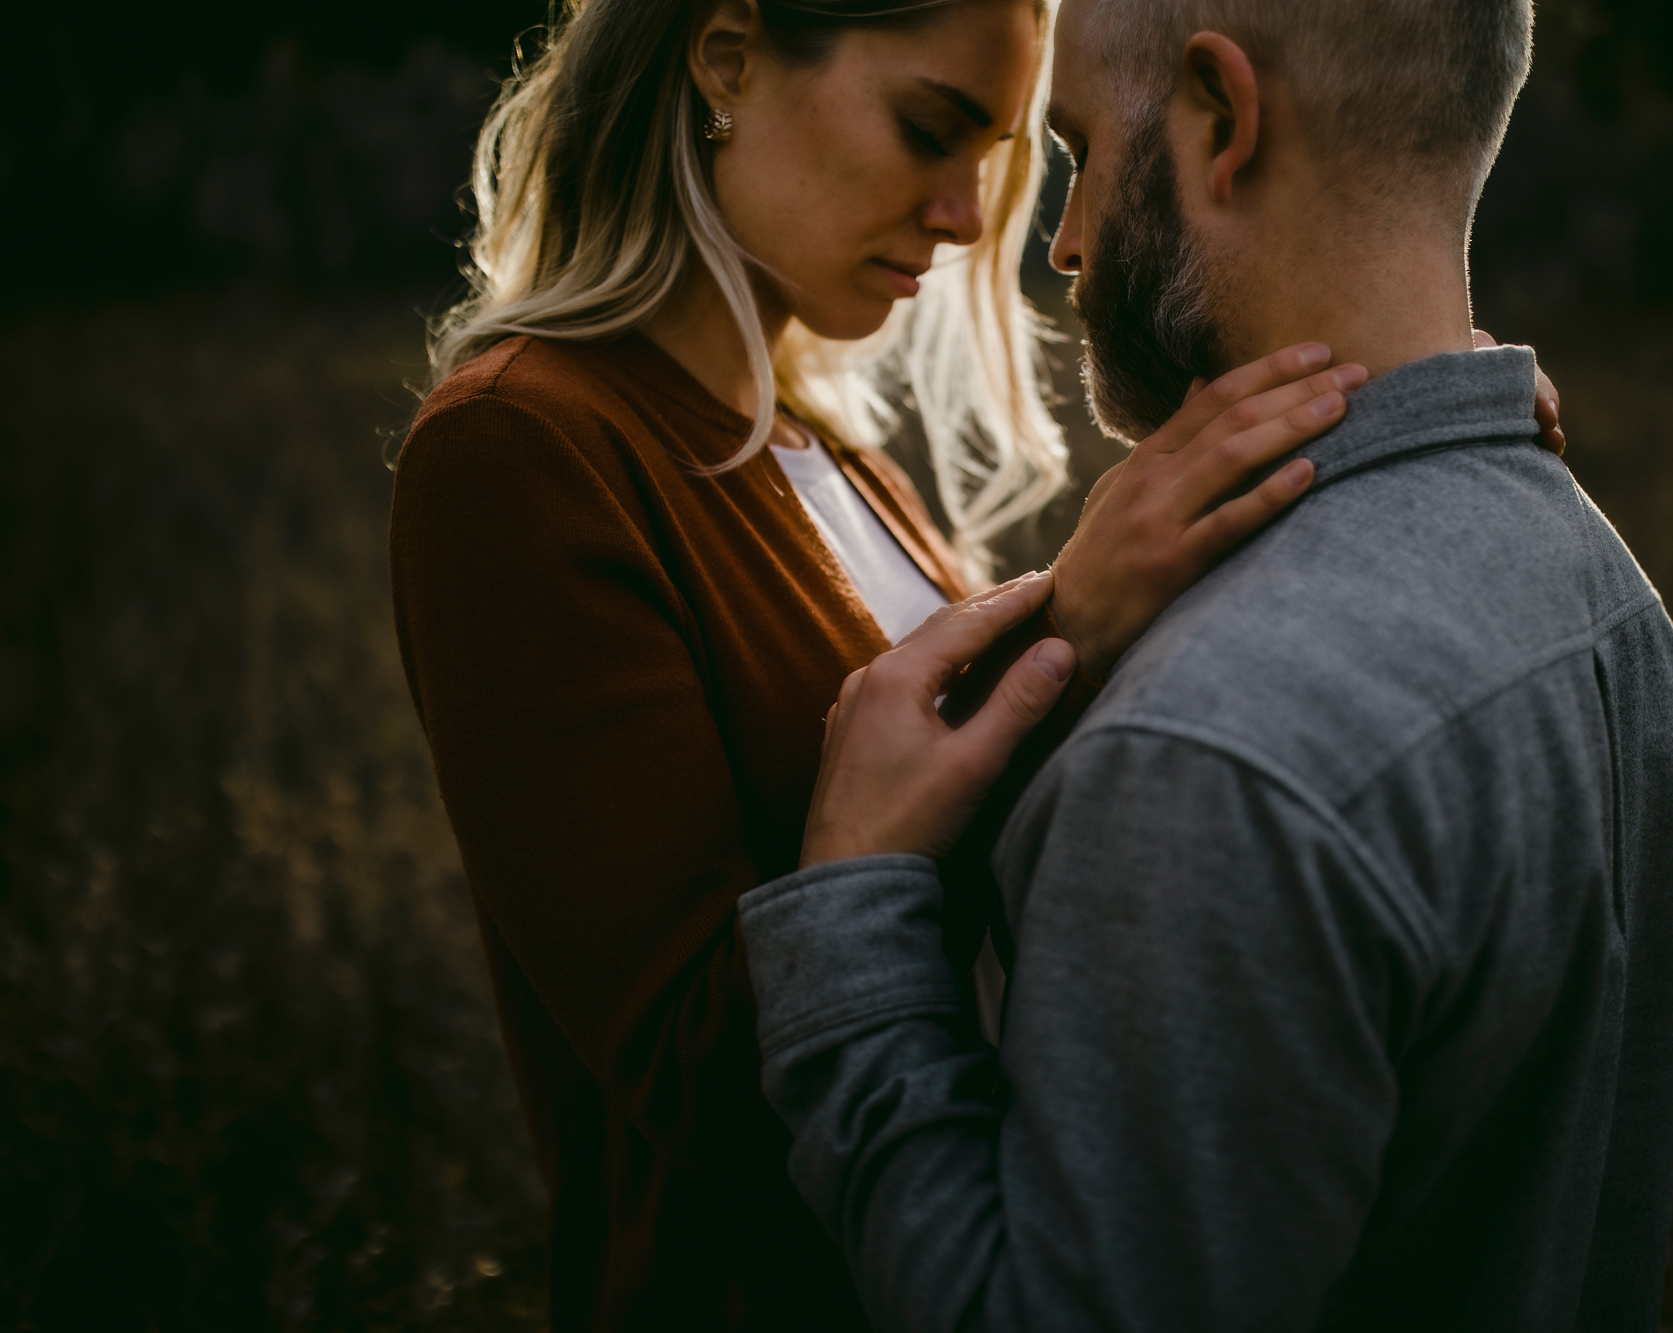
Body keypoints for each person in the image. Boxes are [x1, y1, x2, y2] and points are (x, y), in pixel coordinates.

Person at [389, 0, 1567, 1326]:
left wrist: (1396, 423)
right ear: (726, 57)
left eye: (1002, 155)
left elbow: (1010, 843)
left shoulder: (833, 460)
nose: (965, 217)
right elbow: (693, 1085)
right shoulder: (520, 453)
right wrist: (1070, 615)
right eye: (927, 128)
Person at [736, 0, 1673, 1329]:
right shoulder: (1602, 589)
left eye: (1077, 155)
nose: (1064, 242)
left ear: (1221, 118)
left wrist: (853, 906)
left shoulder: (1205, 758)